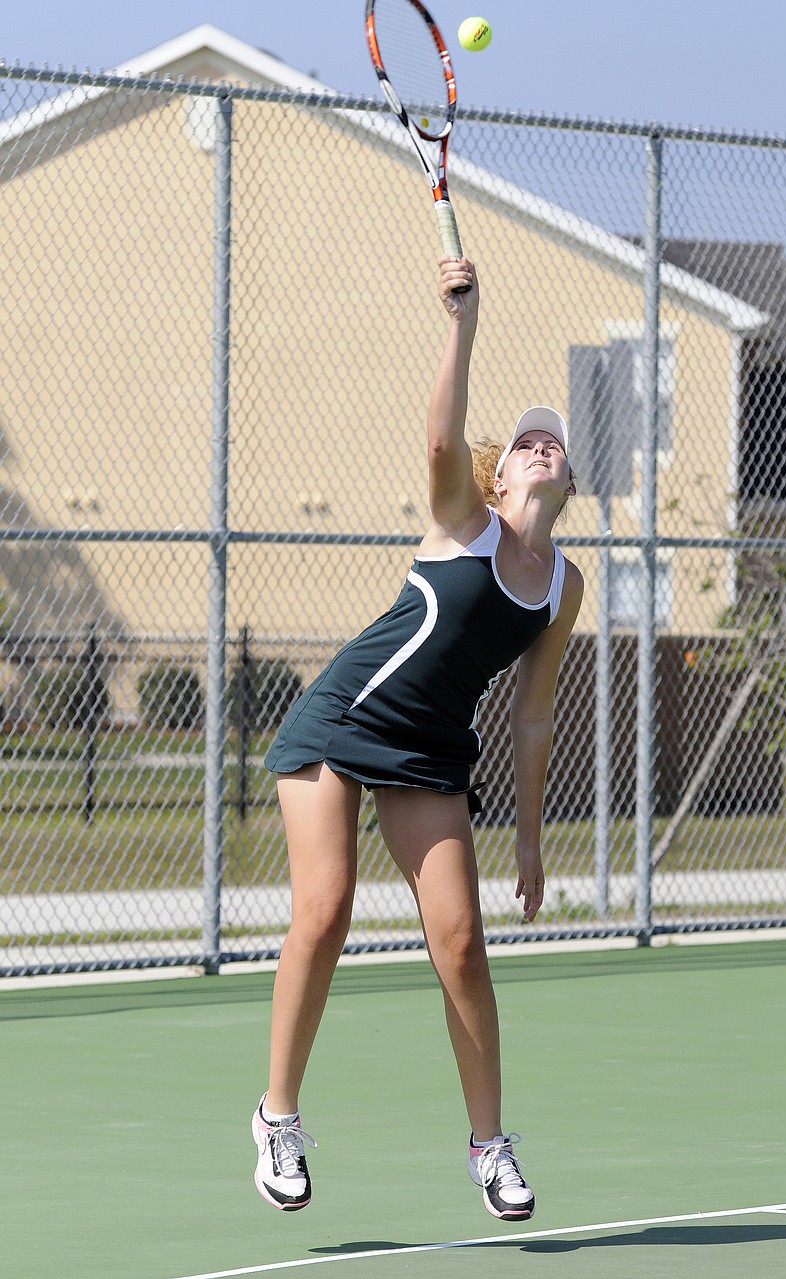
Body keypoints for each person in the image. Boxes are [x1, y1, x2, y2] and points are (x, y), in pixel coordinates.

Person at [251, 255, 584, 1221]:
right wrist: (462, 324)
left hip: (432, 751)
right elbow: (440, 433)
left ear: (571, 477)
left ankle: (490, 1144)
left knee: (464, 943)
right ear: (500, 470)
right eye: (525, 442)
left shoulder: (564, 587)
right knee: (325, 907)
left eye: (553, 444)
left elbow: (531, 714)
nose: (539, 448)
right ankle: (277, 1114)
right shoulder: (462, 521)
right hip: (343, 715)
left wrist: (526, 836)